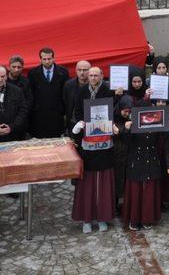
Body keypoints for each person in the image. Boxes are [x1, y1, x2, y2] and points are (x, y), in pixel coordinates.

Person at [70, 67, 115, 233]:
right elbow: (77, 112)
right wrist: (78, 127)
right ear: (87, 76)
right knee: (87, 184)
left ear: (102, 76)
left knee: (103, 182)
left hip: (105, 142)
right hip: (87, 143)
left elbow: (114, 112)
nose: (94, 77)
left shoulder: (108, 90)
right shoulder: (81, 91)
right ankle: (86, 219)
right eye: (91, 75)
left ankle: (102, 218)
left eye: (97, 75)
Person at [121, 102, 168, 231]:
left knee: (149, 192)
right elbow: (126, 142)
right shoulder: (132, 123)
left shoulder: (156, 122)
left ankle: (147, 218)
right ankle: (134, 219)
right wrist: (126, 130)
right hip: (135, 161)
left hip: (151, 160)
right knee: (135, 192)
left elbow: (164, 138)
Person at [28, 47, 69, 138]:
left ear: (53, 58)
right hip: (39, 116)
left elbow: (65, 94)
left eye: (49, 59)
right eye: (44, 59)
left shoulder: (63, 72)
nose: (47, 61)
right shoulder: (32, 73)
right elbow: (31, 94)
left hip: (57, 115)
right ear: (40, 59)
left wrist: (63, 111)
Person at [0, 65, 28, 143]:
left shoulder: (17, 91)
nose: (0, 79)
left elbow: (23, 111)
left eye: (2, 77)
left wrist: (12, 127)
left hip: (14, 135)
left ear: (6, 76)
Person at [63, 61, 91, 134]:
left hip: (91, 122)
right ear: (76, 70)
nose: (82, 72)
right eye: (79, 70)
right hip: (73, 122)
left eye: (85, 70)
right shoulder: (68, 85)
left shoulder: (96, 84)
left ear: (90, 70)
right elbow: (65, 102)